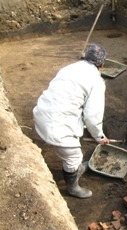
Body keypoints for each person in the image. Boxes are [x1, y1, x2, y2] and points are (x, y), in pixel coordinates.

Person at [33, 43, 110, 199]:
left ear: (84, 57)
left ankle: (75, 168)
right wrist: (100, 137)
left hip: (41, 113)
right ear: (102, 65)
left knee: (71, 148)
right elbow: (92, 116)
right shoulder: (96, 81)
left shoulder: (68, 68)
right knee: (74, 156)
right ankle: (72, 188)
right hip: (56, 126)